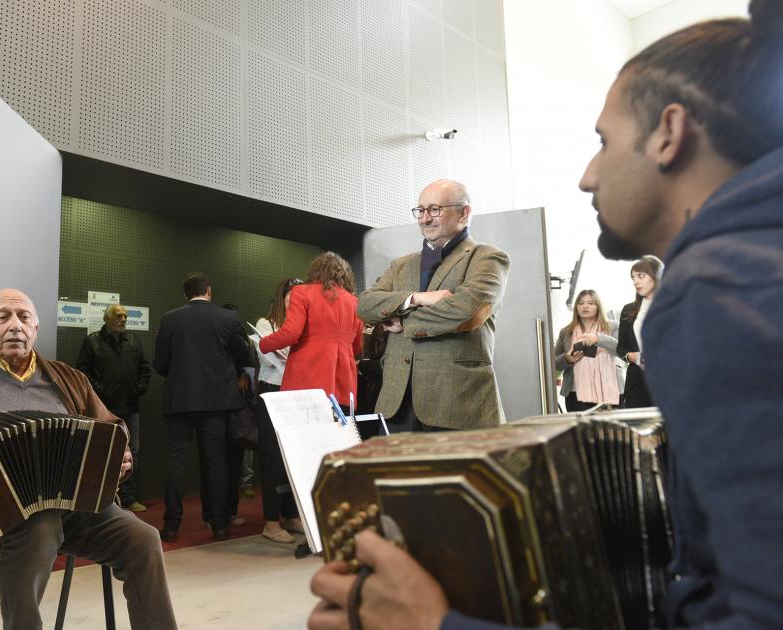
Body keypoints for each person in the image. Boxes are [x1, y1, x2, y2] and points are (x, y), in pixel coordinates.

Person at [308, 2, 783, 628]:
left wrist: (435, 625)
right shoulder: (747, 266)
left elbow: (469, 312)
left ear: (670, 134)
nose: (586, 177)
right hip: (406, 401)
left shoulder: (721, 288)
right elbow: (373, 306)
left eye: (604, 142)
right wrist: (416, 305)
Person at [0, 289, 176, 630]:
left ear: (36, 328)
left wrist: (119, 459)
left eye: (23, 317)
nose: (15, 326)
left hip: (77, 509)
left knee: (143, 539)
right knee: (40, 526)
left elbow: (111, 430)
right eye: (2, 316)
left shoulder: (70, 380)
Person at [357, 178, 510, 432]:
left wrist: (403, 320)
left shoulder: (487, 257)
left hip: (457, 404)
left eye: (435, 209)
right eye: (421, 210)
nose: (425, 218)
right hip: (396, 406)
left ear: (464, 213)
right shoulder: (401, 265)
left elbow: (466, 311)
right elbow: (365, 305)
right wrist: (416, 298)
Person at [153, 273, 251, 542]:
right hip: (217, 402)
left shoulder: (169, 319)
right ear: (209, 290)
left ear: (186, 294)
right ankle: (219, 524)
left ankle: (171, 526)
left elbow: (160, 363)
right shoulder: (226, 319)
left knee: (176, 462)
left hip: (179, 401)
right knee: (215, 462)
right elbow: (245, 355)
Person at [259, 252, 363, 410]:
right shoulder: (355, 302)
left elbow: (291, 333)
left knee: (303, 431)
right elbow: (358, 347)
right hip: (343, 380)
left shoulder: (302, 292)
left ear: (316, 270)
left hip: (307, 375)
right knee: (334, 431)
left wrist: (264, 343)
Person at [76, 303, 152, 512]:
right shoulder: (92, 341)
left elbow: (145, 369)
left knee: (132, 453)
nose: (123, 319)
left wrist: (138, 388)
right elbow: (83, 372)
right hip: (103, 408)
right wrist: (101, 392)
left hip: (131, 406)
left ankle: (129, 497)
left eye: (125, 316)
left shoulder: (134, 341)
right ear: (107, 318)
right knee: (102, 450)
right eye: (119, 315)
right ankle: (103, 498)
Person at [253, 277, 304, 543]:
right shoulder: (266, 323)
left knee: (293, 457)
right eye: (290, 295)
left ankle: (292, 515)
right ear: (281, 296)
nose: (295, 299)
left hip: (296, 392)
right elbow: (268, 356)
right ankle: (271, 522)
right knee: (272, 457)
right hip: (271, 392)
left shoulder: (303, 323)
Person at [554, 289, 620, 412]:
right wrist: (567, 359)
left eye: (590, 303)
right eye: (580, 303)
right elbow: (554, 363)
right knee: (581, 431)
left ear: (598, 306)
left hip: (610, 391)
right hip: (576, 394)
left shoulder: (613, 326)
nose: (585, 306)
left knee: (611, 431)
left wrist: (598, 339)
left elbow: (622, 351)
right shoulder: (566, 331)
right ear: (576, 307)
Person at [616, 256, 663, 408]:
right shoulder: (628, 310)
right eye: (633, 277)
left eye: (641, 276)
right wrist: (632, 356)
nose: (636, 281)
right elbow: (621, 347)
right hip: (637, 382)